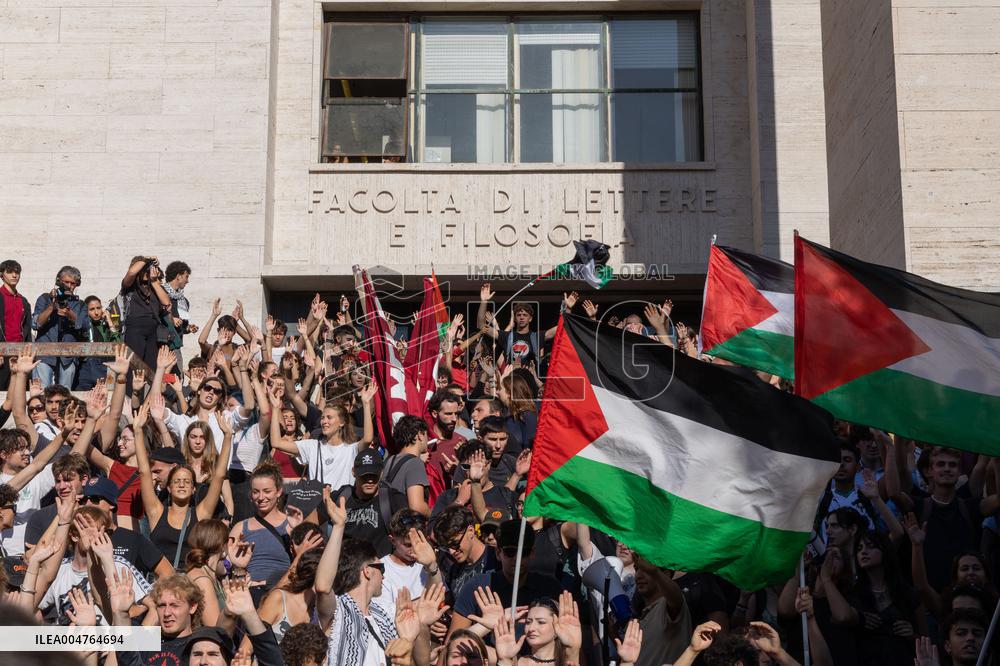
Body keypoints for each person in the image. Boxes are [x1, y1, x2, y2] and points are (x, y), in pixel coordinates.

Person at [133, 401, 231, 567]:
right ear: (169, 487)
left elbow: (219, 476)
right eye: (177, 481)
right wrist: (137, 431)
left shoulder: (201, 513)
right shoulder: (156, 512)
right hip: (160, 582)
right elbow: (144, 472)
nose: (181, 484)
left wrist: (228, 436)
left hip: (190, 581)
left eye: (187, 481)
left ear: (193, 489)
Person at [451, 520, 565, 636]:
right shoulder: (478, 587)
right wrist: (485, 626)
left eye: (523, 552)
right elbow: (452, 646)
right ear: (498, 553)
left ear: (532, 554)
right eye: (510, 552)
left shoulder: (550, 588)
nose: (517, 558)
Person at [268, 381, 375, 490]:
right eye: (323, 418)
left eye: (329, 417)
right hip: (317, 504)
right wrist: (276, 409)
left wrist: (366, 404)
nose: (324, 421)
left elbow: (367, 438)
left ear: (342, 423)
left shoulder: (351, 449)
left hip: (342, 504)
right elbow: (276, 443)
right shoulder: (311, 446)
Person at [228, 461, 291, 590]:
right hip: (250, 592)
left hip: (282, 593)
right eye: (256, 492)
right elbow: (226, 567)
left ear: (279, 492)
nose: (261, 497)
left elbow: (303, 566)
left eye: (267, 491)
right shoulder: (240, 527)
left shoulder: (290, 524)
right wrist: (238, 569)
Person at [334, 450, 408, 557]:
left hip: (379, 569)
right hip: (347, 568)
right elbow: (313, 522)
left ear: (381, 473)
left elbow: (411, 531)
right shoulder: (342, 495)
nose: (369, 480)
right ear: (353, 472)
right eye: (364, 475)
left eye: (373, 475)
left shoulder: (392, 498)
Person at [371, 509, 443, 616]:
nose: (414, 549)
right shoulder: (381, 569)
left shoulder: (428, 562)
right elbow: (384, 613)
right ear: (392, 540)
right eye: (408, 545)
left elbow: (441, 597)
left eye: (418, 543)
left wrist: (432, 565)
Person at [32, 265, 90, 388]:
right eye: (66, 282)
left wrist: (70, 315)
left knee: (65, 395)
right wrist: (51, 307)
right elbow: (35, 323)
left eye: (73, 283)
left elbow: (85, 326)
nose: (69, 286)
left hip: (68, 356)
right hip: (44, 354)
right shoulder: (44, 298)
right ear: (58, 281)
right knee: (41, 393)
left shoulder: (80, 305)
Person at [493, 592, 585, 666]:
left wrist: (573, 650)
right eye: (528, 622)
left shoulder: (565, 662)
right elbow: (478, 648)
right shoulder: (515, 662)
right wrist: (504, 661)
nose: (531, 628)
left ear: (558, 629)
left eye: (541, 622)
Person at [120, 256, 172, 374]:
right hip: (135, 327)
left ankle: (149, 391)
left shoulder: (154, 286)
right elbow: (132, 272)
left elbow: (166, 302)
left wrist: (154, 281)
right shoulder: (130, 286)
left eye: (148, 269)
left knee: (151, 366)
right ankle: (130, 391)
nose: (146, 272)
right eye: (144, 269)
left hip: (153, 328)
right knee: (134, 363)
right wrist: (147, 260)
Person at [434, 506, 499, 599]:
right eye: (446, 548)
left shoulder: (497, 559)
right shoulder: (454, 571)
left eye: (455, 543)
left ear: (471, 531)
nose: (452, 552)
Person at [382, 415, 431, 517]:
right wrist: (433, 515)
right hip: (406, 528)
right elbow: (417, 507)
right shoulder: (415, 463)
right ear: (419, 436)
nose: (428, 438)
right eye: (427, 434)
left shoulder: (390, 460)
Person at [77, 295, 121, 390]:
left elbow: (117, 343)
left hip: (103, 367)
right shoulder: (83, 326)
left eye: (98, 308)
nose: (96, 312)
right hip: (85, 368)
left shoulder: (105, 326)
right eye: (92, 309)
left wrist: (109, 321)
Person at [0, 258, 32, 390]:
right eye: (10, 272)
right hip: (3, 353)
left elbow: (27, 329)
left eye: (17, 272)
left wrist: (29, 354)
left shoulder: (23, 301)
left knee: (20, 392)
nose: (14, 275)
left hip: (21, 353)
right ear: (2, 274)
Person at [164, 260, 197, 367]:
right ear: (178, 276)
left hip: (175, 346)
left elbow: (180, 327)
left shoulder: (184, 301)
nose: (187, 281)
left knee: (176, 379)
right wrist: (171, 319)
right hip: (160, 344)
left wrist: (187, 328)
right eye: (186, 276)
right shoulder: (160, 293)